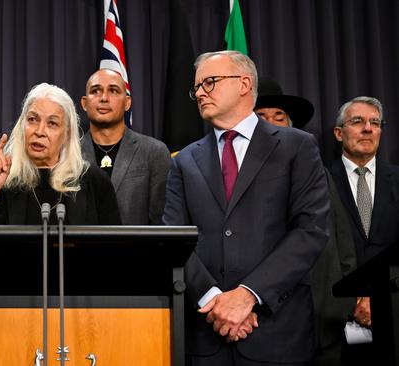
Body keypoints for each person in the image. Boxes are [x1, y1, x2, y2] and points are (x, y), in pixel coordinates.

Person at [164, 51, 329, 365]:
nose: (199, 92)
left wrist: (248, 295)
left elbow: (311, 230)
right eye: (197, 87)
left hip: (278, 333)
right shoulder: (183, 160)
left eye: (209, 83)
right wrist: (214, 301)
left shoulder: (297, 146)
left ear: (243, 84)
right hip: (205, 336)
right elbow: (174, 239)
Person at [255, 78, 357, 365]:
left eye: (279, 117)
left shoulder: (317, 172)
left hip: (323, 316)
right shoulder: (236, 178)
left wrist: (347, 300)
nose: (272, 123)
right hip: (269, 320)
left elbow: (341, 238)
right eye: (262, 117)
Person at [0, 82, 121, 226]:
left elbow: (116, 250)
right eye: (32, 119)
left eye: (52, 123)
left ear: (67, 134)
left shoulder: (94, 182)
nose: (39, 131)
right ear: (22, 126)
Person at [330, 96, 399, 363]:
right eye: (357, 121)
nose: (368, 128)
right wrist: (354, 302)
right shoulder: (320, 182)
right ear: (339, 133)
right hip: (339, 318)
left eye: (375, 122)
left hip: (393, 309)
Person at [79, 69, 171, 225]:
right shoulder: (67, 153)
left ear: (127, 102)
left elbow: (162, 223)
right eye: (96, 91)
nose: (104, 98)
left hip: (137, 250)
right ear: (84, 103)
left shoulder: (154, 152)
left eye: (113, 91)